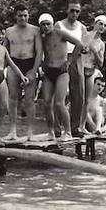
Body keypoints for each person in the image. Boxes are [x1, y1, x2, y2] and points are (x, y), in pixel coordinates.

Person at [38, 13, 87, 141]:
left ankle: (68, 131)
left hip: (61, 72)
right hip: (48, 72)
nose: (46, 27)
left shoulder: (60, 33)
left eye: (48, 24)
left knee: (60, 103)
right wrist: (41, 64)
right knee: (47, 103)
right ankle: (51, 132)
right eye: (43, 24)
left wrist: (70, 62)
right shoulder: (42, 37)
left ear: (52, 24)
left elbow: (79, 44)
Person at [0, 26, 30, 144]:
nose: (1, 36)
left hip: (1, 75)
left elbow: (12, 64)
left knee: (4, 107)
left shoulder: (3, 49)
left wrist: (21, 76)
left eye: (3, 34)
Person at [4, 4, 43, 141]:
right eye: (20, 15)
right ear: (16, 16)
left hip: (29, 63)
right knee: (13, 98)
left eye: (25, 15)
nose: (23, 18)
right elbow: (4, 51)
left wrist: (34, 70)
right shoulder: (9, 31)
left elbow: (39, 52)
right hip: (14, 63)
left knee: (29, 99)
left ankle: (30, 132)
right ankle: (12, 131)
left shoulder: (35, 30)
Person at [56, 0, 87, 135]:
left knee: (78, 94)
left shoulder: (82, 27)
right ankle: (57, 128)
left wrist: (85, 49)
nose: (74, 13)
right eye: (72, 10)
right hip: (60, 58)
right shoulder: (59, 25)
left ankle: (75, 127)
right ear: (67, 10)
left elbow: (85, 46)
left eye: (77, 11)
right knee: (58, 95)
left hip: (76, 59)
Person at [77, 15, 106, 136]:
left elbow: (101, 63)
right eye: (100, 24)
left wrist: (94, 51)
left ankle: (82, 126)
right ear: (95, 23)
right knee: (77, 97)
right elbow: (76, 51)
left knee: (86, 100)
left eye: (105, 25)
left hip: (90, 71)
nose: (102, 27)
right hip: (79, 68)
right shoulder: (85, 36)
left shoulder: (101, 44)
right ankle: (74, 125)